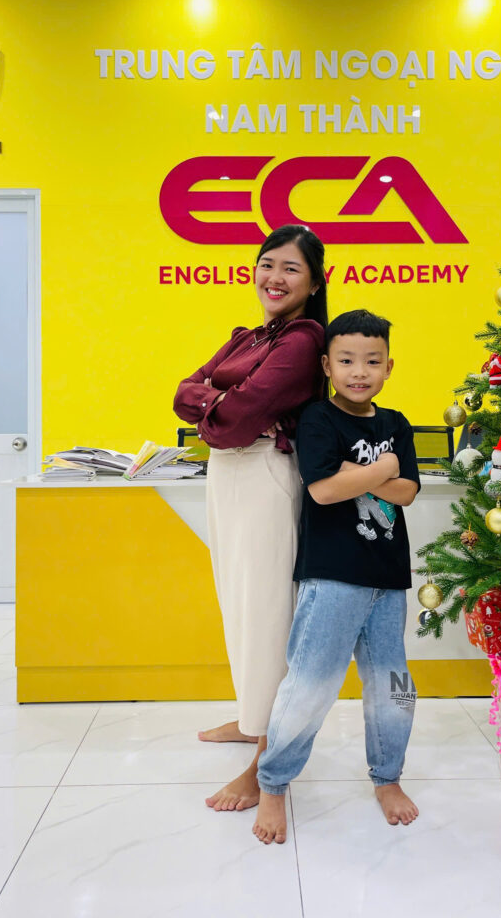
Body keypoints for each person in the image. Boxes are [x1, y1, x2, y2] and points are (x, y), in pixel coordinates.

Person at [173, 224, 328, 812]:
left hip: (266, 474)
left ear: (315, 282)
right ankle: (251, 718)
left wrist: (215, 404)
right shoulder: (249, 337)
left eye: (291, 268)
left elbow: (238, 419)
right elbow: (182, 392)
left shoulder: (304, 340)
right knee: (237, 602)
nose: (275, 277)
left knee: (267, 614)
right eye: (267, 264)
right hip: (228, 475)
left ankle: (269, 757)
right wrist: (217, 403)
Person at [253, 309, 420, 845]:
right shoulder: (317, 420)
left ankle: (388, 777)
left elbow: (407, 492)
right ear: (326, 365)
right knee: (309, 685)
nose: (359, 371)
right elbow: (323, 491)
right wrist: (383, 469)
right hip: (331, 579)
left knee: (395, 688)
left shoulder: (395, 423)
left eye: (372, 361)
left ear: (389, 366)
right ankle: (273, 783)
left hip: (387, 581)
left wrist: (358, 474)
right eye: (346, 360)